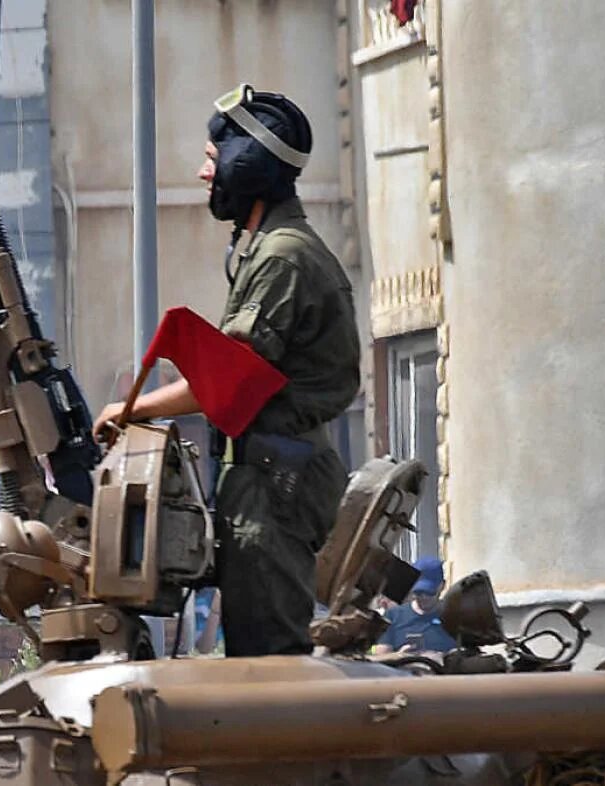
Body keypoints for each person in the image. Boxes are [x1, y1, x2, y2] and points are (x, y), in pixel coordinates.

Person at [92, 84, 361, 657]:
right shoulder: (272, 248)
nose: (201, 174)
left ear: (247, 167)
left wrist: (129, 409)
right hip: (268, 473)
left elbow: (230, 381)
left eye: (212, 161)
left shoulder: (282, 256)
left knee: (267, 658)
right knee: (253, 648)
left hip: (275, 483)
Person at [373, 557, 457, 655]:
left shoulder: (454, 615)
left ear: (442, 586)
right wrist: (400, 656)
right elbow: (380, 659)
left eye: (429, 592)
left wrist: (444, 657)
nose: (424, 597)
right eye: (419, 592)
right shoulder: (393, 616)